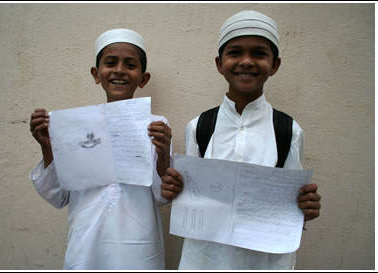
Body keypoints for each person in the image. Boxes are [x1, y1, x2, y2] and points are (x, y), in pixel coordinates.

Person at [160, 10, 321, 270]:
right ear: (219, 63)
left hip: (265, 261)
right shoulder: (199, 126)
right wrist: (175, 190)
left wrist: (305, 207)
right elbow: (190, 193)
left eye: (259, 53)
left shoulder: (288, 130)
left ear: (275, 64)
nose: (246, 61)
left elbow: (291, 205)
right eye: (235, 52)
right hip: (205, 259)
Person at [29, 28, 172, 270]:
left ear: (143, 78)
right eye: (110, 63)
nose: (119, 70)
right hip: (86, 247)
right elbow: (58, 196)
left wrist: (163, 152)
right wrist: (47, 146)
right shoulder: (74, 128)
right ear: (97, 74)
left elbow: (161, 196)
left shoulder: (157, 126)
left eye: (130, 64)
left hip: (139, 249)